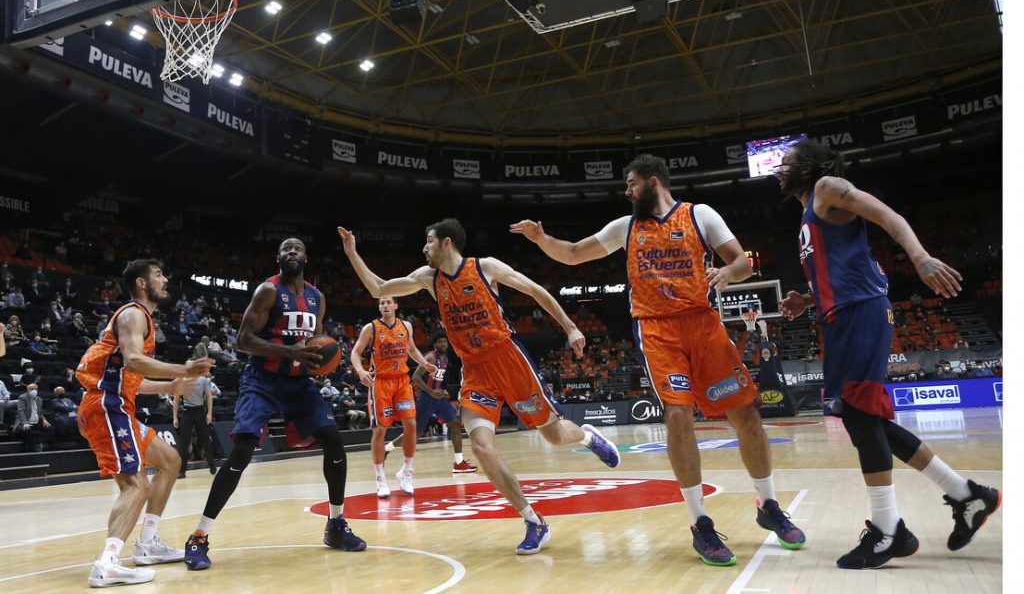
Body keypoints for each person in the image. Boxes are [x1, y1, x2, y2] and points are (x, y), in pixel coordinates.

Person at [511, 154, 805, 566]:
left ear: (653, 182)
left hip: (704, 326)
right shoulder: (625, 227)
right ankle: (700, 523)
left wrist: (727, 274)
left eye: (631, 184)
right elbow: (575, 253)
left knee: (747, 416)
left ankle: (768, 505)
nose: (626, 191)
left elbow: (740, 261)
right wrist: (542, 239)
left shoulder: (699, 215)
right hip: (657, 331)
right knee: (679, 417)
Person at [774, 139, 1000, 568]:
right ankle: (969, 496)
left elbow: (887, 215)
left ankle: (888, 531)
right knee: (868, 419)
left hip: (860, 314)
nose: (779, 170)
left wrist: (919, 257)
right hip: (843, 316)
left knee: (860, 417)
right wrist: (807, 299)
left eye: (786, 162)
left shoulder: (827, 186)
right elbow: (843, 266)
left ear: (810, 166)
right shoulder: (809, 212)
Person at [338, 219, 619, 555]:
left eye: (428, 241)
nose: (423, 248)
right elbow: (378, 288)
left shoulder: (485, 267)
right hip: (474, 370)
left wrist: (571, 326)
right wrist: (352, 253)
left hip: (509, 360)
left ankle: (588, 436)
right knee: (482, 447)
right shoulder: (428, 278)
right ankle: (533, 520)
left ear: (446, 243)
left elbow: (536, 291)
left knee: (555, 435)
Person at [184, 238, 365, 571]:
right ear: (278, 258)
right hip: (262, 381)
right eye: (286, 249)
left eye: (297, 249)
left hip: (298, 384)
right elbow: (243, 340)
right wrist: (290, 353)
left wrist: (318, 361)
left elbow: (316, 342)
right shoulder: (267, 291)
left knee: (334, 441)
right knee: (243, 449)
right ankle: (199, 535)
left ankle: (336, 525)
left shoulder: (317, 298)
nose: (291, 253)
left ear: (306, 258)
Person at [76, 259, 214, 587]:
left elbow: (130, 376)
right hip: (107, 407)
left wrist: (168, 386)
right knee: (135, 486)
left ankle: (148, 544)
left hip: (114, 404)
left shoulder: (142, 318)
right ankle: (108, 562)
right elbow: (135, 360)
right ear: (141, 282)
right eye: (159, 274)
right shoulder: (133, 313)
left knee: (170, 460)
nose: (165, 280)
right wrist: (183, 369)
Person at [350, 296, 436, 498]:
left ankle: (406, 472)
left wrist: (424, 364)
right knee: (380, 429)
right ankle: (380, 477)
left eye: (388, 302)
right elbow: (355, 353)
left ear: (396, 305)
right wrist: (361, 371)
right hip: (380, 382)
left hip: (401, 381)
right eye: (381, 303)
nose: (385, 305)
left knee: (412, 425)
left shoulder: (406, 326)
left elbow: (411, 349)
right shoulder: (370, 328)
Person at [384, 332, 478, 474]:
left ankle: (458, 462)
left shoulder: (445, 359)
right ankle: (387, 448)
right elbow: (415, 377)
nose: (443, 344)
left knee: (455, 425)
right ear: (435, 344)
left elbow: (439, 380)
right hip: (426, 398)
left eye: (445, 342)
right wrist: (431, 391)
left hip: (439, 398)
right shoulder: (430, 357)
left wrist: (443, 391)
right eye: (440, 342)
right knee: (415, 433)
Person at [172, 346, 218, 478]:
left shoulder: (203, 380)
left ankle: (212, 464)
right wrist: (175, 417)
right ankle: (182, 471)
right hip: (187, 412)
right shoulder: (182, 381)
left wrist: (209, 413)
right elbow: (176, 400)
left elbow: (209, 397)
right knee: (184, 443)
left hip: (200, 412)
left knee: (206, 441)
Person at [15, 383, 53, 451]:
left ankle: (40, 443)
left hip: (36, 422)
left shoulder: (39, 399)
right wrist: (25, 423)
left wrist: (44, 420)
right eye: (32, 389)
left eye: (36, 389)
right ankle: (33, 447)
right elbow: (20, 411)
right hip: (24, 421)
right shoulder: (22, 398)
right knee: (27, 429)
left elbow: (40, 413)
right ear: (28, 390)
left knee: (50, 428)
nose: (34, 390)